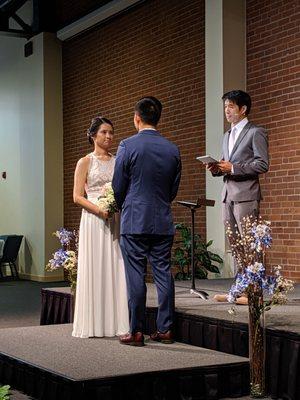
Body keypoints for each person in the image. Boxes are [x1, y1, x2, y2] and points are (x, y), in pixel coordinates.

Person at [112, 96, 181, 346]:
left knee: (136, 275)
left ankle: (137, 331)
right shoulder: (172, 149)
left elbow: (118, 186)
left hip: (134, 220)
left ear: (136, 118)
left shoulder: (127, 145)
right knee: (163, 273)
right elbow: (173, 189)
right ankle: (165, 329)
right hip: (162, 219)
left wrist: (124, 205)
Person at [207, 90, 269, 304]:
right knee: (235, 245)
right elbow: (228, 164)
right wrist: (217, 168)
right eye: (225, 107)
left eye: (231, 106)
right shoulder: (227, 135)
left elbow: (262, 164)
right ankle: (241, 291)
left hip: (246, 196)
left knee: (250, 244)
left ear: (243, 109)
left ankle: (256, 294)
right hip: (228, 195)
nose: (227, 110)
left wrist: (233, 167)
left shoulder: (255, 132)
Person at [72, 116, 129, 338]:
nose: (109, 136)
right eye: (104, 132)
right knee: (95, 265)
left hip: (114, 217)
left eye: (111, 132)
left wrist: (114, 207)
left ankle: (117, 322)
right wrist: (98, 210)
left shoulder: (118, 161)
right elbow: (77, 196)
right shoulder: (85, 162)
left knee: (115, 264)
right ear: (93, 135)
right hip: (93, 218)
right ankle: (93, 323)